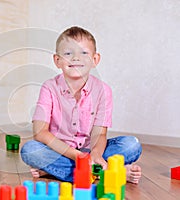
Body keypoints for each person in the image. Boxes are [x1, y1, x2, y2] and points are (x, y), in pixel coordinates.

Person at [20, 26, 142, 184]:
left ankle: (57, 170)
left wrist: (96, 155)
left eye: (84, 53)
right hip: (61, 152)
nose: (75, 58)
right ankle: (108, 173)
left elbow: (100, 133)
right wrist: (78, 157)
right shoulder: (49, 87)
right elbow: (40, 133)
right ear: (57, 60)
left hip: (90, 150)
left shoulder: (103, 91)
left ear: (95, 59)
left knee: (131, 145)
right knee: (30, 150)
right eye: (68, 53)